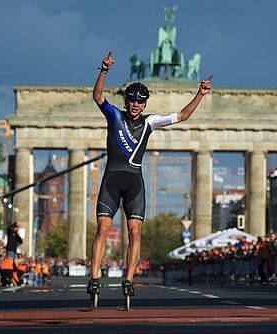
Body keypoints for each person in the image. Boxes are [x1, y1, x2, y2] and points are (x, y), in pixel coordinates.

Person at [87, 50, 212, 299]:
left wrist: (200, 94)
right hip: (111, 181)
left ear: (145, 104)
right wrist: (104, 70)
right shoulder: (114, 116)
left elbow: (183, 116)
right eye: (132, 101)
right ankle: (94, 278)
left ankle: (129, 280)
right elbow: (98, 96)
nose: (135, 105)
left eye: (140, 101)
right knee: (102, 229)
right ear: (127, 101)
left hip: (134, 184)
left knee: (135, 233)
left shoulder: (150, 122)